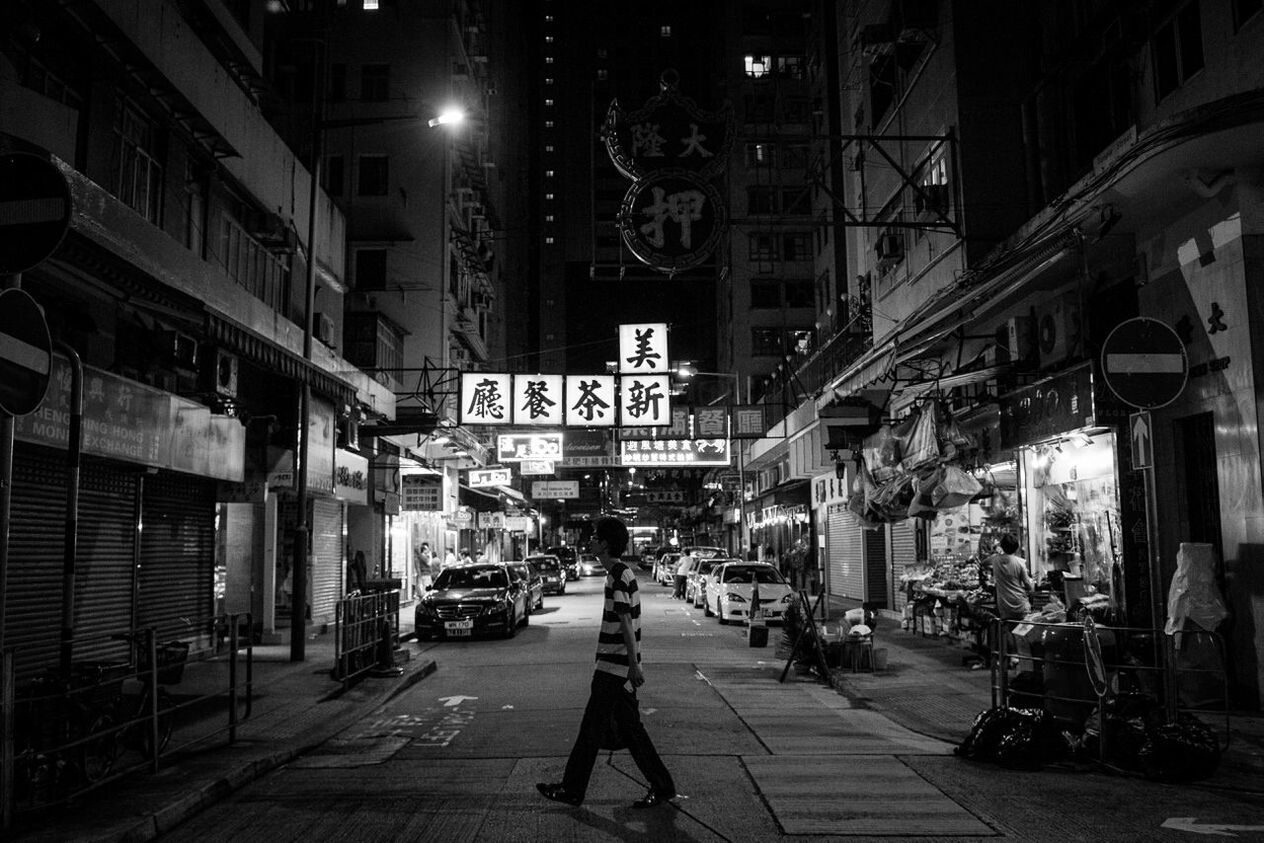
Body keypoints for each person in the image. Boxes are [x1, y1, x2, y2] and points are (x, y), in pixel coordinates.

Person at [537, 516, 676, 809]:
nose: (590, 540)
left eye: (595, 537)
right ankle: (662, 785)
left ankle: (572, 789)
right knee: (631, 731)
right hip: (616, 665)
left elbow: (626, 620)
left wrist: (634, 666)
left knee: (590, 730)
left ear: (604, 544)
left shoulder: (616, 575)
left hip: (613, 667)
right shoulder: (620, 573)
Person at [989, 533, 1034, 667]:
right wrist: (1030, 585)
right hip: (1020, 602)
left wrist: (997, 549)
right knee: (1023, 629)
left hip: (1004, 602)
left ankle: (1013, 656)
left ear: (1002, 546)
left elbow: (984, 562)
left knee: (1007, 628)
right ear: (1016, 547)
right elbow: (1028, 585)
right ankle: (1025, 658)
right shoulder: (1019, 562)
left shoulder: (995, 560)